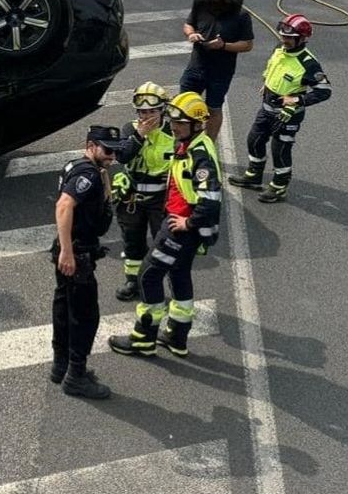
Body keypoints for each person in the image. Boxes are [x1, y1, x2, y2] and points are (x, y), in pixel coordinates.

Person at [110, 92, 222, 359]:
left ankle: (143, 339)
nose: (174, 127)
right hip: (179, 224)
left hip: (178, 228)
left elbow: (210, 200)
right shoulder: (189, 144)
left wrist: (188, 222)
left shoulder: (200, 154)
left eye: (180, 123)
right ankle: (177, 336)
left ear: (197, 124)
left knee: (148, 276)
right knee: (180, 276)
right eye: (172, 121)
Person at [50, 124, 129, 400]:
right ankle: (75, 376)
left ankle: (60, 366)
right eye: (107, 150)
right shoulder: (88, 175)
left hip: (71, 250)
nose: (112, 157)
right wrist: (68, 252)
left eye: (116, 152)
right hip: (77, 254)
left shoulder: (80, 166)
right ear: (91, 145)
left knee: (64, 307)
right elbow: (63, 206)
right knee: (86, 317)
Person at [230, 14, 332, 203]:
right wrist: (267, 83)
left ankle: (279, 187)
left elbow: (324, 91)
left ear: (302, 39)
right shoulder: (280, 49)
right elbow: (273, 67)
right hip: (267, 108)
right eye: (282, 36)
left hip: (288, 115)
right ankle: (253, 175)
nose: (284, 40)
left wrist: (297, 100)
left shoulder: (309, 64)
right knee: (254, 139)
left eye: (289, 38)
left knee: (280, 149)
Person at [113, 82, 175, 302]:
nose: (147, 115)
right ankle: (133, 282)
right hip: (133, 198)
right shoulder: (130, 130)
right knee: (132, 241)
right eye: (142, 111)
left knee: (164, 243)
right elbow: (122, 156)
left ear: (163, 110)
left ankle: (164, 284)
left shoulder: (174, 131)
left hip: (161, 199)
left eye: (152, 111)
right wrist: (140, 135)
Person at [179, 0, 254, 140]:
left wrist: (223, 46)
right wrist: (191, 34)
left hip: (220, 72)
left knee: (213, 108)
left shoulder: (241, 15)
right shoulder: (201, 7)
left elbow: (247, 45)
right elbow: (188, 24)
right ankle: (185, 142)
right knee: (184, 106)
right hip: (196, 66)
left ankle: (208, 144)